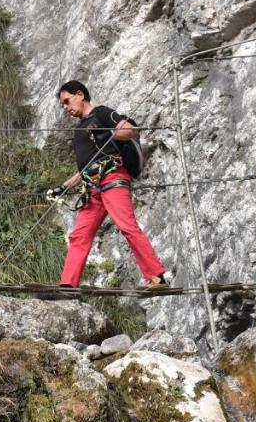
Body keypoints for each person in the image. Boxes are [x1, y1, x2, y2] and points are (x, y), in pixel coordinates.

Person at [47, 80, 168, 288]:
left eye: (67, 101)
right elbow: (86, 167)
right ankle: (67, 286)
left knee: (127, 226)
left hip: (113, 178)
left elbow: (130, 130)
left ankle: (157, 277)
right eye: (63, 104)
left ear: (80, 95)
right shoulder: (79, 131)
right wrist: (64, 186)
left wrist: (108, 132)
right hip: (91, 186)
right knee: (79, 236)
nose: (66, 108)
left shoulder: (102, 114)